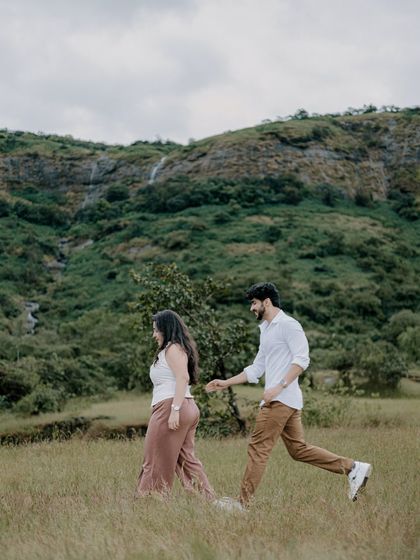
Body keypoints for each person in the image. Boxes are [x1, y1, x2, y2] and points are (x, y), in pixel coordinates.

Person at [206, 282, 372, 510]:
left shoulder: (289, 325)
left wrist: (278, 387)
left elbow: (302, 359)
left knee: (258, 448)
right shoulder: (266, 330)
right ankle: (353, 468)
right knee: (298, 450)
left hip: (280, 400)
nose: (251, 308)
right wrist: (226, 382)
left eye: (254, 303)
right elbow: (257, 367)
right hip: (287, 400)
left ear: (267, 301)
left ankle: (242, 505)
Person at [135, 309, 214, 500]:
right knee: (186, 459)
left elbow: (182, 377)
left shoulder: (172, 348)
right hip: (185, 406)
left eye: (156, 330)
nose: (154, 335)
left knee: (154, 458)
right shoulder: (174, 348)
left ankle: (150, 501)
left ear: (166, 329)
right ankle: (209, 501)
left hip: (172, 405)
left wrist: (174, 410)